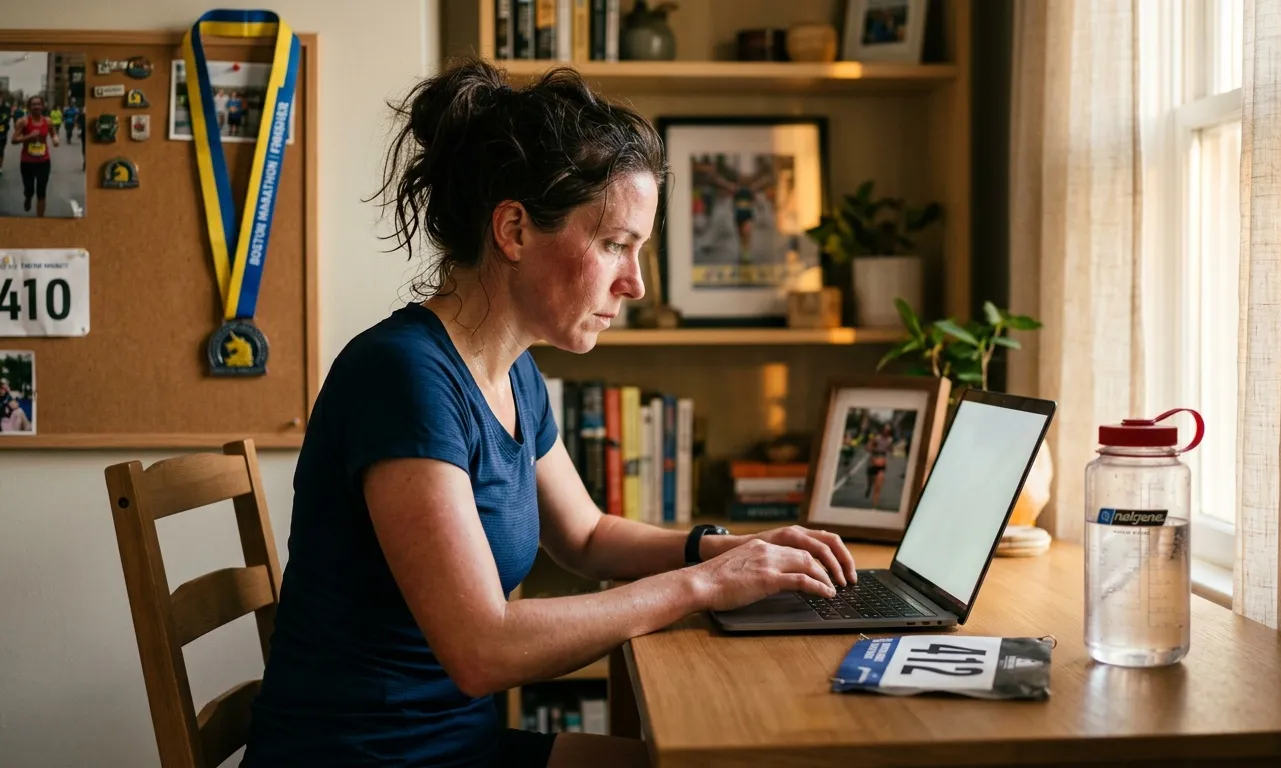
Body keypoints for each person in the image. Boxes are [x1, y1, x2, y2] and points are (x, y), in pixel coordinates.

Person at [240, 57, 857, 768]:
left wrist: (720, 550)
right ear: (514, 229)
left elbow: (586, 537)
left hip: (452, 748)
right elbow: (483, 648)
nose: (635, 284)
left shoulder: (512, 372)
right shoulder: (403, 377)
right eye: (615, 245)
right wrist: (703, 586)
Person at [10, 96, 57, 217]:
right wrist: (28, 137)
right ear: (29, 107)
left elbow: (53, 134)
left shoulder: (48, 121)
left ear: (43, 106)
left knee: (41, 191)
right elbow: (14, 140)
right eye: (34, 104)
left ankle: (39, 220)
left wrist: (55, 140)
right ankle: (28, 197)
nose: (36, 107)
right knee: (29, 189)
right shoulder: (23, 122)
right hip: (27, 162)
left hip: (44, 161)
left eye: (39, 104)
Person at [865, 422, 896, 508]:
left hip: (881, 464)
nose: (886, 431)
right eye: (885, 429)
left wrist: (891, 450)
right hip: (872, 463)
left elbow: (891, 450)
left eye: (888, 430)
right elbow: (868, 447)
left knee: (878, 486)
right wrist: (874, 449)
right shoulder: (876, 438)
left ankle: (874, 506)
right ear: (882, 430)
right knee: (870, 482)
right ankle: (869, 487)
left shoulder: (890, 440)